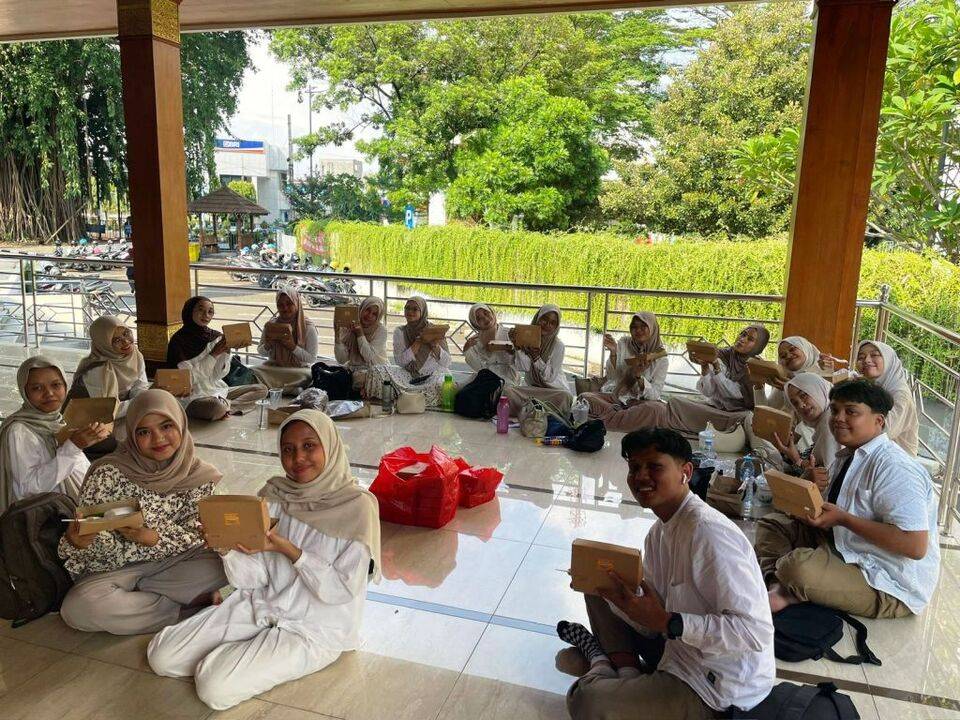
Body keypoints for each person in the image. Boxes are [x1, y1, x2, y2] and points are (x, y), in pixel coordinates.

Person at [147, 409, 381, 711]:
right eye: (288, 449)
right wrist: (225, 547)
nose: (298, 458)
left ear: (330, 446)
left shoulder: (357, 507)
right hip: (262, 604)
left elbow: (340, 591)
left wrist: (291, 552)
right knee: (161, 656)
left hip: (314, 628)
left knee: (214, 688)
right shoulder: (276, 496)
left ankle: (228, 656)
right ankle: (233, 649)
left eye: (309, 446)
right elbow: (255, 578)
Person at [561, 428, 774, 719]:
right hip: (675, 649)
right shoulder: (659, 532)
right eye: (634, 468)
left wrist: (668, 622)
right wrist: (628, 600)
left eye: (654, 467)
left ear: (685, 472)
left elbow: (753, 633)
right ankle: (625, 672)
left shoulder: (709, 534)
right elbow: (653, 618)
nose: (641, 477)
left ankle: (601, 662)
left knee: (587, 702)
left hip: (715, 687)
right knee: (598, 586)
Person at [755, 379, 939, 618]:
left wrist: (844, 519)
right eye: (834, 410)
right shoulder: (847, 456)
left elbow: (915, 546)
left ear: (879, 421)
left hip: (884, 579)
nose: (838, 418)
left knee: (798, 567)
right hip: (842, 545)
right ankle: (779, 587)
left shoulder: (895, 467)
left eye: (851, 411)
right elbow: (833, 511)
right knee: (772, 524)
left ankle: (788, 584)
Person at [58, 390, 226, 635]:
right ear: (132, 435)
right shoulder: (108, 473)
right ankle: (183, 605)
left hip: (177, 562)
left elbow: (199, 535)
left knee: (227, 562)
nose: (158, 438)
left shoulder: (200, 476)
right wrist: (76, 543)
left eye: (166, 426)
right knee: (77, 610)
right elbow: (89, 543)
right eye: (144, 432)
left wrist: (156, 538)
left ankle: (141, 599)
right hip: (119, 568)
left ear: (181, 424)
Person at [587, 324, 771, 437]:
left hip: (733, 413)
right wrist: (705, 368)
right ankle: (608, 411)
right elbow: (708, 391)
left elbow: (735, 396)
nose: (742, 339)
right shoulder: (725, 355)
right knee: (669, 404)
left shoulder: (754, 367)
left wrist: (714, 367)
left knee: (665, 406)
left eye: (750, 339)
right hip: (627, 398)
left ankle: (606, 414)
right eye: (742, 334)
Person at [0, 356, 110, 511]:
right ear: (25, 392)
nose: (49, 393)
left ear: (65, 386)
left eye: (56, 385)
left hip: (77, 507)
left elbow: (77, 469)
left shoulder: (58, 421)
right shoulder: (20, 431)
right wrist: (73, 447)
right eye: (37, 388)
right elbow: (28, 488)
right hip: (50, 517)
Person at [166, 296, 267, 421]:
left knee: (261, 389)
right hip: (192, 396)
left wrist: (226, 352)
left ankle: (226, 407)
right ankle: (225, 407)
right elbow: (187, 380)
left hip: (215, 389)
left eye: (210, 311)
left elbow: (217, 375)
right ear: (189, 311)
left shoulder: (215, 337)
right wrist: (213, 355)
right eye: (201, 310)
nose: (206, 315)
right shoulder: (179, 341)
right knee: (214, 407)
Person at [580, 312, 669, 427]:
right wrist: (613, 352)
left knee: (657, 409)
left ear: (652, 328)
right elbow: (612, 376)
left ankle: (610, 419)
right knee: (585, 397)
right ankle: (622, 419)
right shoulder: (624, 343)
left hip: (639, 403)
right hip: (615, 398)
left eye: (643, 327)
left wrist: (639, 376)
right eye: (634, 327)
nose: (638, 330)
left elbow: (654, 395)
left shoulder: (661, 359)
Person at [364, 296, 451, 407]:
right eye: (407, 308)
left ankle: (404, 397)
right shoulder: (400, 332)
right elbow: (400, 362)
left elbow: (447, 363)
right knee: (376, 371)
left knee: (440, 385)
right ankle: (412, 398)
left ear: (422, 312)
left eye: (415, 309)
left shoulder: (435, 330)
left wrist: (434, 345)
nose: (410, 312)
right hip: (408, 375)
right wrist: (417, 343)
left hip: (432, 376)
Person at [68, 314, 149, 417]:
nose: (126, 341)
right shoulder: (97, 370)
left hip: (120, 410)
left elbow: (140, 385)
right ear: (105, 344)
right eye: (117, 340)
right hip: (86, 417)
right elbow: (107, 410)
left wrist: (141, 399)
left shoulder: (134, 355)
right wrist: (140, 402)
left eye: (126, 333)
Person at [504, 304, 575, 415]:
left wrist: (536, 358)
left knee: (566, 397)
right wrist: (517, 345)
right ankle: (540, 412)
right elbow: (524, 367)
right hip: (533, 390)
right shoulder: (527, 338)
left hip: (553, 391)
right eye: (544, 319)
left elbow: (549, 377)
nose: (547, 325)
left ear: (556, 327)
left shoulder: (558, 345)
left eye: (553, 323)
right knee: (508, 392)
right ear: (537, 318)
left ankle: (531, 411)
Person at [853, 340, 919, 455]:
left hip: (895, 460)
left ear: (888, 360)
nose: (866, 360)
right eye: (861, 357)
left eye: (874, 355)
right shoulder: (871, 386)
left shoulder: (900, 395)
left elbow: (884, 431)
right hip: (873, 453)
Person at [771, 372, 840, 477]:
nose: (801, 405)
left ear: (818, 390)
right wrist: (795, 457)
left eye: (803, 395)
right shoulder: (823, 422)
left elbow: (828, 479)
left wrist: (797, 460)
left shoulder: (831, 423)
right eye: (795, 403)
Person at [254, 287, 319, 394]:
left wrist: (292, 347)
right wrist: (268, 345)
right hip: (274, 367)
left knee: (307, 376)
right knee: (254, 371)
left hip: (298, 370)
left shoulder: (307, 326)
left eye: (289, 304)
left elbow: (311, 359)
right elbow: (261, 351)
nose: (285, 308)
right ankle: (290, 389)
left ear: (297, 304)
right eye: (280, 305)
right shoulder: (272, 325)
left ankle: (274, 389)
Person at [333, 296, 388, 387]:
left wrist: (359, 333)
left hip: (375, 370)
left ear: (378, 317)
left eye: (374, 314)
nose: (369, 315)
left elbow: (368, 356)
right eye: (367, 310)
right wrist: (337, 336)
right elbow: (341, 360)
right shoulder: (349, 326)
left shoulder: (381, 330)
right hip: (354, 369)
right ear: (361, 309)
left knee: (359, 380)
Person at [462, 303, 520, 386]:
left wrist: (513, 351)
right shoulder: (475, 341)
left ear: (492, 312)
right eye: (479, 319)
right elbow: (477, 367)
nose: (485, 319)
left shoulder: (509, 334)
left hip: (509, 380)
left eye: (486, 313)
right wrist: (467, 348)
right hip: (486, 380)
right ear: (475, 323)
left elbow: (522, 363)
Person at [763, 336, 821, 411]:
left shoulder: (824, 376)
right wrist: (758, 386)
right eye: (783, 356)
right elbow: (766, 411)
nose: (788, 356)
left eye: (792, 349)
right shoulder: (785, 380)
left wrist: (792, 391)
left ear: (804, 348)